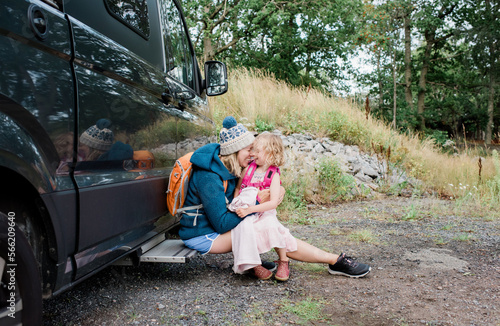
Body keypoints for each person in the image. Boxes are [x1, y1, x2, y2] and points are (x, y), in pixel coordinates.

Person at [179, 116, 371, 281]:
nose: (252, 155)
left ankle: (331, 260)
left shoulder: (228, 167)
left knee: (268, 226)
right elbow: (222, 223)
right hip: (204, 236)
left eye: (254, 150)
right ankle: (333, 260)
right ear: (235, 151)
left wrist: (280, 189)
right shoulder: (208, 176)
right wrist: (256, 203)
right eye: (248, 150)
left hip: (213, 227)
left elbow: (253, 186)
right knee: (270, 229)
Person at [230, 132, 297, 281]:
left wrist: (250, 209)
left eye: (257, 151)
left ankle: (284, 261)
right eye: (252, 150)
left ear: (271, 153)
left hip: (264, 211)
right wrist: (236, 205)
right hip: (246, 212)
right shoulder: (248, 170)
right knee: (243, 228)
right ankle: (254, 264)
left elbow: (272, 203)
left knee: (272, 225)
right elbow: (238, 188)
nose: (253, 154)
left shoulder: (273, 175)